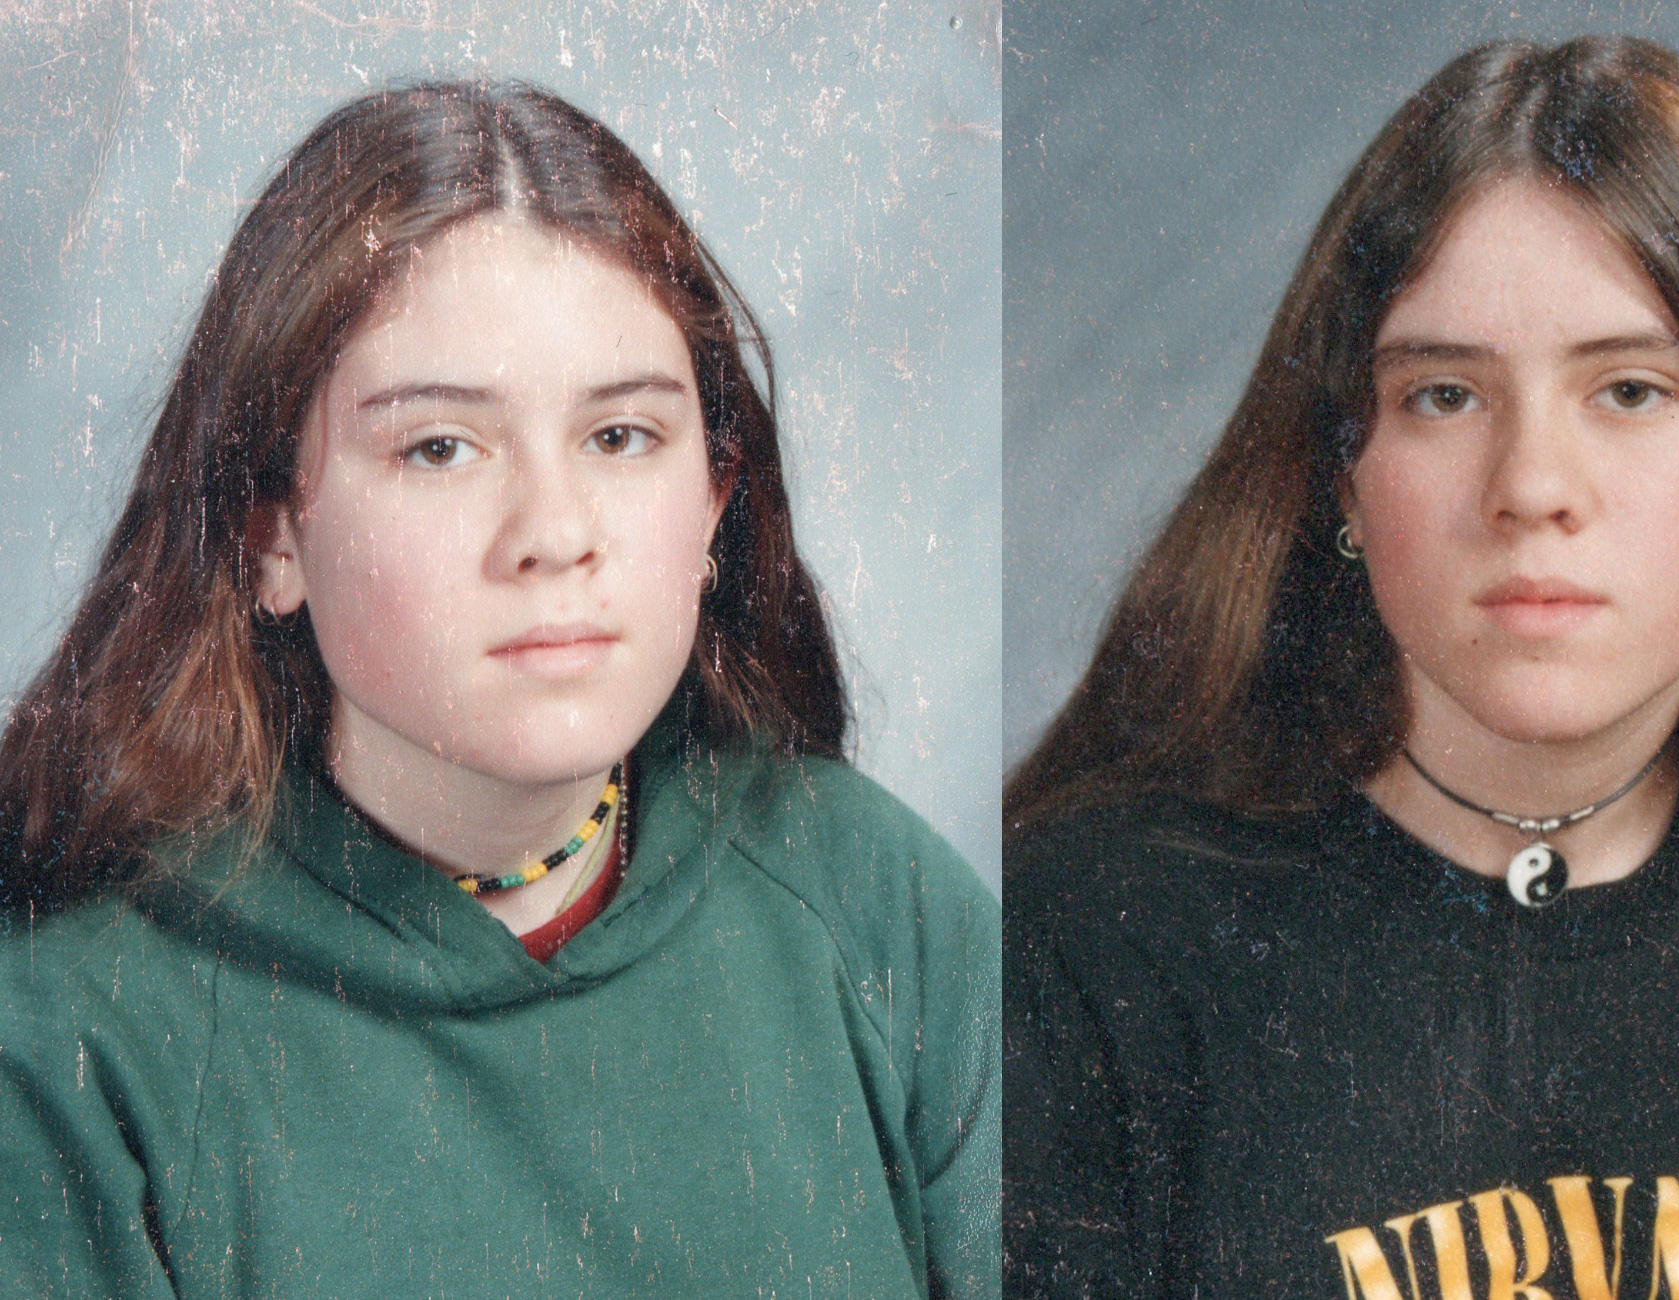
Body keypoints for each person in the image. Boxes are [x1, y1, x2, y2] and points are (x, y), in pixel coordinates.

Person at [1004, 36, 1679, 1299]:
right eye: (1442, 397)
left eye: (1629, 390)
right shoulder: (1084, 950)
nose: (1530, 487)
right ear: (1342, 479)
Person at [0, 81, 997, 1298]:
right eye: (438, 447)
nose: (553, 533)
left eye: (621, 436)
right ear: (268, 533)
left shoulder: (881, 907)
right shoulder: (66, 1033)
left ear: (715, 503)